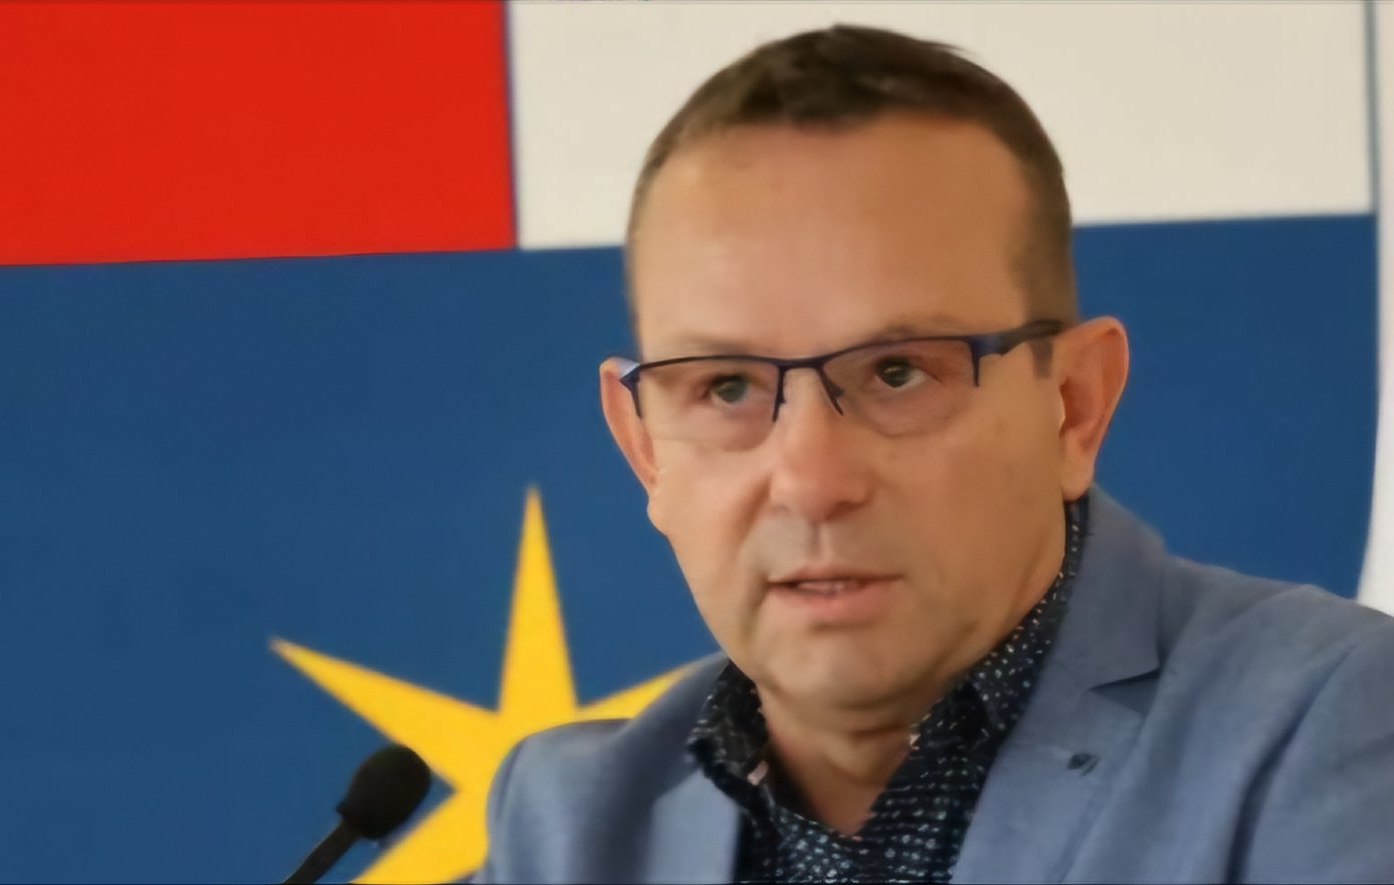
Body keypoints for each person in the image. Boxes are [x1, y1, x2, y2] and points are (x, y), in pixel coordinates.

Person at [473, 24, 1394, 884]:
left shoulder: (1328, 726)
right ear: (645, 447)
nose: (811, 482)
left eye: (900, 372)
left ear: (1073, 407)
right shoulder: (567, 827)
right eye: (726, 387)